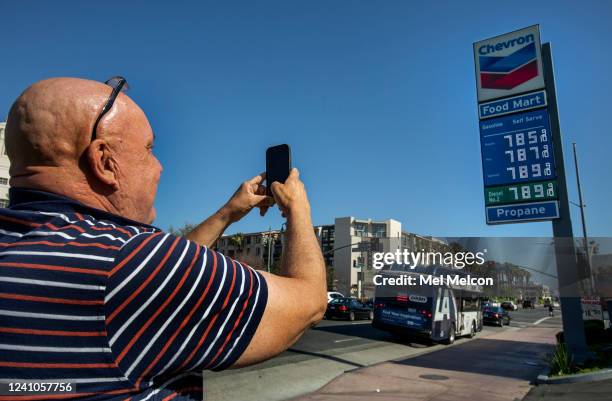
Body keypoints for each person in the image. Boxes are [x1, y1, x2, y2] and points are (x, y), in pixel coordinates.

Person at [0, 77, 327, 400]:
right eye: (149, 149)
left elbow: (165, 278)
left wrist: (227, 213)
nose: (159, 167)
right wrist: (297, 207)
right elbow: (309, 302)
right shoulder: (129, 260)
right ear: (104, 161)